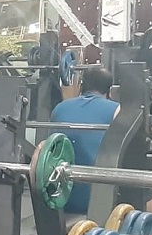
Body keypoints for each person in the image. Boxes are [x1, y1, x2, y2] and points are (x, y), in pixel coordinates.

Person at [50, 67, 120, 215]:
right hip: (98, 200)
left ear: (81, 86)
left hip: (60, 197)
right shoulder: (116, 110)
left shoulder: (59, 108)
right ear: (110, 91)